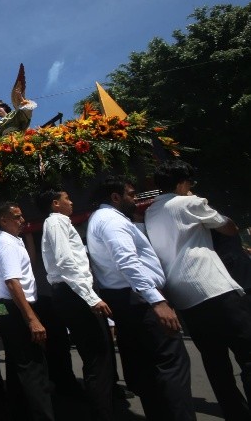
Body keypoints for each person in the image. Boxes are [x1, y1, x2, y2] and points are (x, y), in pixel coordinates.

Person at [145, 160, 251, 420]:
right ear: (183, 182)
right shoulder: (189, 202)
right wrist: (198, 202)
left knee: (215, 362)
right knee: (247, 352)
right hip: (213, 287)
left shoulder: (151, 211)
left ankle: (234, 412)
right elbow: (228, 227)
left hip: (184, 296)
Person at [86, 175, 195, 421]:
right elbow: (127, 262)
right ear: (116, 197)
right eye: (131, 195)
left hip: (126, 300)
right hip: (139, 301)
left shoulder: (102, 219)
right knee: (170, 366)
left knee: (147, 370)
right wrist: (156, 300)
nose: (135, 200)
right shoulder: (111, 220)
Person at [38, 189, 115, 420]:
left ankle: (104, 407)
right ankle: (102, 413)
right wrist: (91, 297)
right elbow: (65, 261)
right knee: (96, 356)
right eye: (66, 199)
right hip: (74, 294)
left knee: (100, 354)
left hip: (74, 292)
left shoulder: (60, 222)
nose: (71, 202)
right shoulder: (56, 223)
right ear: (55, 204)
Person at [0, 202, 54, 421]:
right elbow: (12, 283)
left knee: (19, 365)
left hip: (16, 307)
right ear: (3, 220)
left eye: (22, 216)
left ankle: (20, 412)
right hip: (16, 309)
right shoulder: (6, 244)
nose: (22, 220)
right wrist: (31, 319)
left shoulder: (13, 241)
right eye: (16, 217)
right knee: (32, 367)